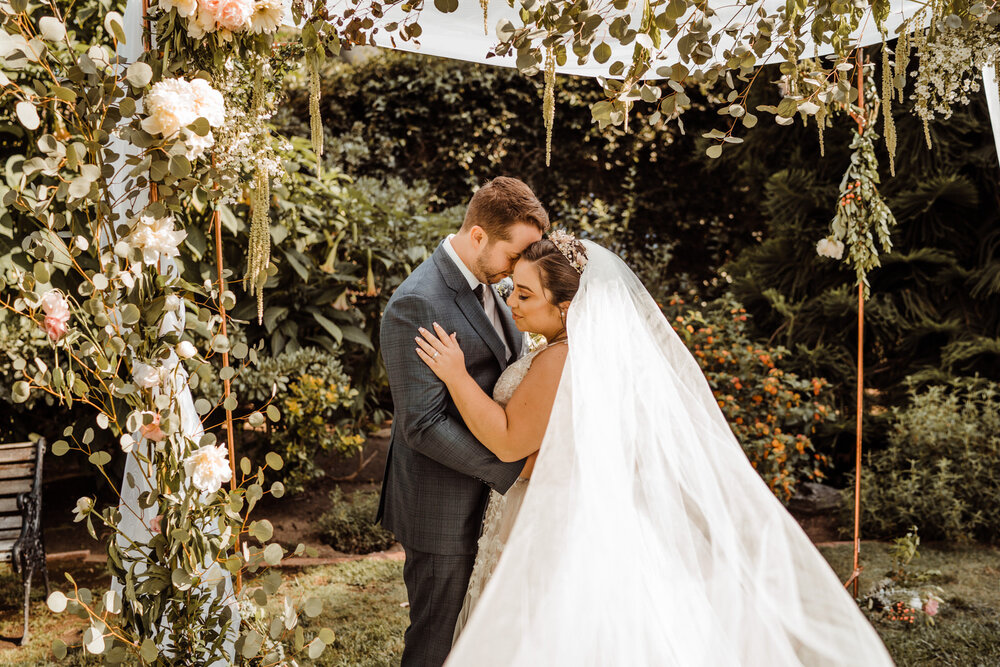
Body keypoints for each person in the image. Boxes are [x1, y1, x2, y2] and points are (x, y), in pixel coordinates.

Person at [415, 231, 895, 666]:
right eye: (511, 289)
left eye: (525, 294)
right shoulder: (576, 352)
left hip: (552, 515)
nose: (512, 302)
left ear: (565, 306)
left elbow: (507, 441)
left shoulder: (560, 359)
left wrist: (456, 377)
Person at [377, 176, 549, 666]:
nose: (520, 271)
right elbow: (423, 423)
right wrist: (512, 471)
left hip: (490, 501)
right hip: (441, 504)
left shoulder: (495, 288)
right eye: (514, 256)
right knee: (437, 638)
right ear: (478, 236)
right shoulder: (418, 302)